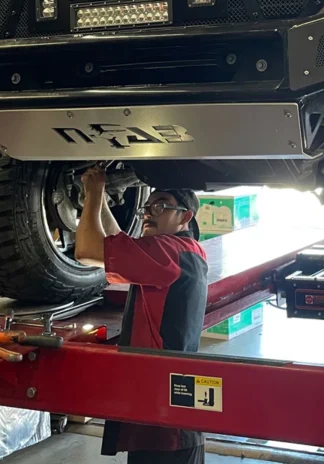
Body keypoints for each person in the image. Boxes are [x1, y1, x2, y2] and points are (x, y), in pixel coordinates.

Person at [76, 166, 208, 464]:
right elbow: (116, 240)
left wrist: (93, 194)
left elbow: (85, 250)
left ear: (185, 216)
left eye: (160, 206)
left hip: (163, 420)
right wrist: (102, 199)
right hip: (165, 411)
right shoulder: (186, 249)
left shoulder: (167, 252)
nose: (149, 212)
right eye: (147, 206)